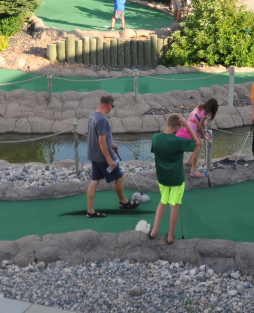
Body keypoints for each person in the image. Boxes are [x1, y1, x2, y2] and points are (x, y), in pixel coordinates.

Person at [148, 113, 201, 244]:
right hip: (176, 179)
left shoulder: (155, 137)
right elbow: (197, 143)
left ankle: (154, 231)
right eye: (180, 127)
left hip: (162, 177)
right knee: (174, 206)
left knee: (163, 201)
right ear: (177, 126)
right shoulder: (178, 141)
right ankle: (170, 236)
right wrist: (188, 126)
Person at [86, 95, 138, 218]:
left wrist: (112, 144)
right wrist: (109, 159)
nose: (112, 108)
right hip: (103, 157)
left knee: (94, 181)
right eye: (112, 106)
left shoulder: (92, 115)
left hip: (94, 155)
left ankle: (90, 211)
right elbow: (102, 141)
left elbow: (98, 136)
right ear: (109, 105)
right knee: (119, 177)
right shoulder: (102, 120)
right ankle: (123, 202)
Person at [177, 99, 219, 178]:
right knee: (198, 149)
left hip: (188, 129)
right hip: (191, 132)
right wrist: (203, 135)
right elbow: (199, 126)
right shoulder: (206, 113)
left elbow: (196, 119)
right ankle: (193, 170)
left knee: (200, 143)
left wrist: (201, 123)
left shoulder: (198, 108)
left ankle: (190, 160)